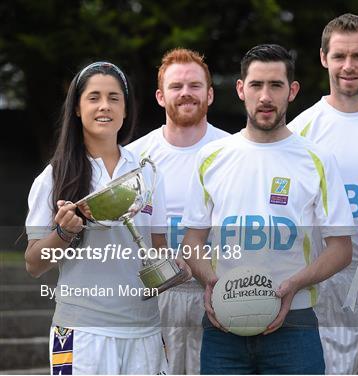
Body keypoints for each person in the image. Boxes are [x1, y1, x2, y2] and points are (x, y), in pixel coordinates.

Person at [181, 44, 354, 374]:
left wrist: (293, 287)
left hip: (294, 323)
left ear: (292, 91)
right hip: (223, 327)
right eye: (256, 85)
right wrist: (211, 281)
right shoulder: (211, 158)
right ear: (240, 88)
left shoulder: (317, 159)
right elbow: (192, 241)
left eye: (275, 85)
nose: (265, 96)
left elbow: (341, 249)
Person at [24, 61, 191, 374]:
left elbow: (157, 251)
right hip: (81, 333)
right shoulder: (54, 176)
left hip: (144, 331)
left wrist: (175, 268)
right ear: (77, 108)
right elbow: (34, 263)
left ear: (125, 109)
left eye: (114, 98)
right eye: (94, 97)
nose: (105, 106)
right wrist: (63, 232)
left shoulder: (148, 174)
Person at [288, 13, 358, 374]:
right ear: (324, 59)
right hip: (327, 275)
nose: (348, 66)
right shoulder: (300, 131)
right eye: (339, 56)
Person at [127, 48, 229, 375]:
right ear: (160, 96)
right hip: (154, 296)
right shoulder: (133, 158)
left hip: (215, 291)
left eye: (195, 86)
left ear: (210, 94)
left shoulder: (232, 152)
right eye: (176, 86)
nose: (186, 92)